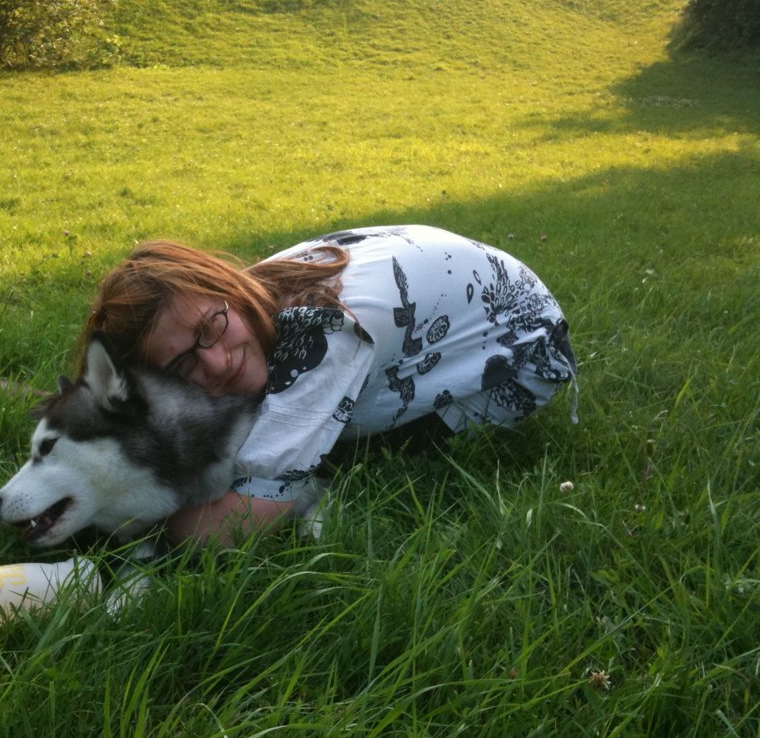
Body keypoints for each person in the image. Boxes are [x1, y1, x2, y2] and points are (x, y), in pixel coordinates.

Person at [84, 225, 578, 546]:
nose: (216, 362)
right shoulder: (246, 301)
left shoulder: (325, 326)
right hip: (467, 296)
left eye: (210, 328)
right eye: (181, 367)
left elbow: (251, 514)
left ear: (225, 290)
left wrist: (116, 525)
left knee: (310, 441)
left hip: (523, 352)